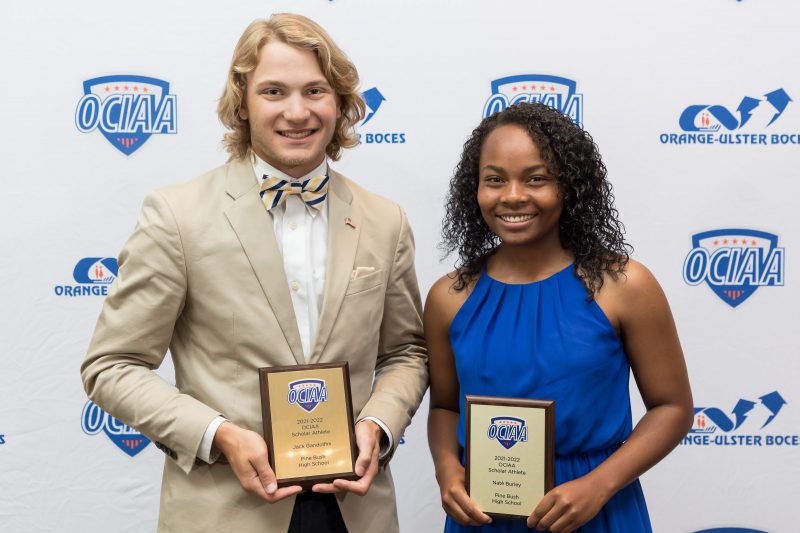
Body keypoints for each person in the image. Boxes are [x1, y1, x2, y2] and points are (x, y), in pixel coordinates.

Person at [81, 13, 427, 533]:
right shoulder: (177, 215)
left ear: (339, 103)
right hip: (225, 511)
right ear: (242, 102)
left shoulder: (385, 219)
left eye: (315, 90)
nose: (297, 111)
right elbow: (112, 365)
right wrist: (218, 433)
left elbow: (406, 352)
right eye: (273, 91)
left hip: (356, 511)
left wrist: (378, 423)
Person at [426, 102, 693, 533]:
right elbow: (442, 406)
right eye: (494, 180)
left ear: (569, 186)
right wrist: (446, 470)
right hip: (484, 513)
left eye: (536, 178)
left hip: (593, 510)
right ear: (473, 189)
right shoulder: (449, 296)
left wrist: (598, 485)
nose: (512, 196)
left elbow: (673, 408)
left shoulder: (624, 285)